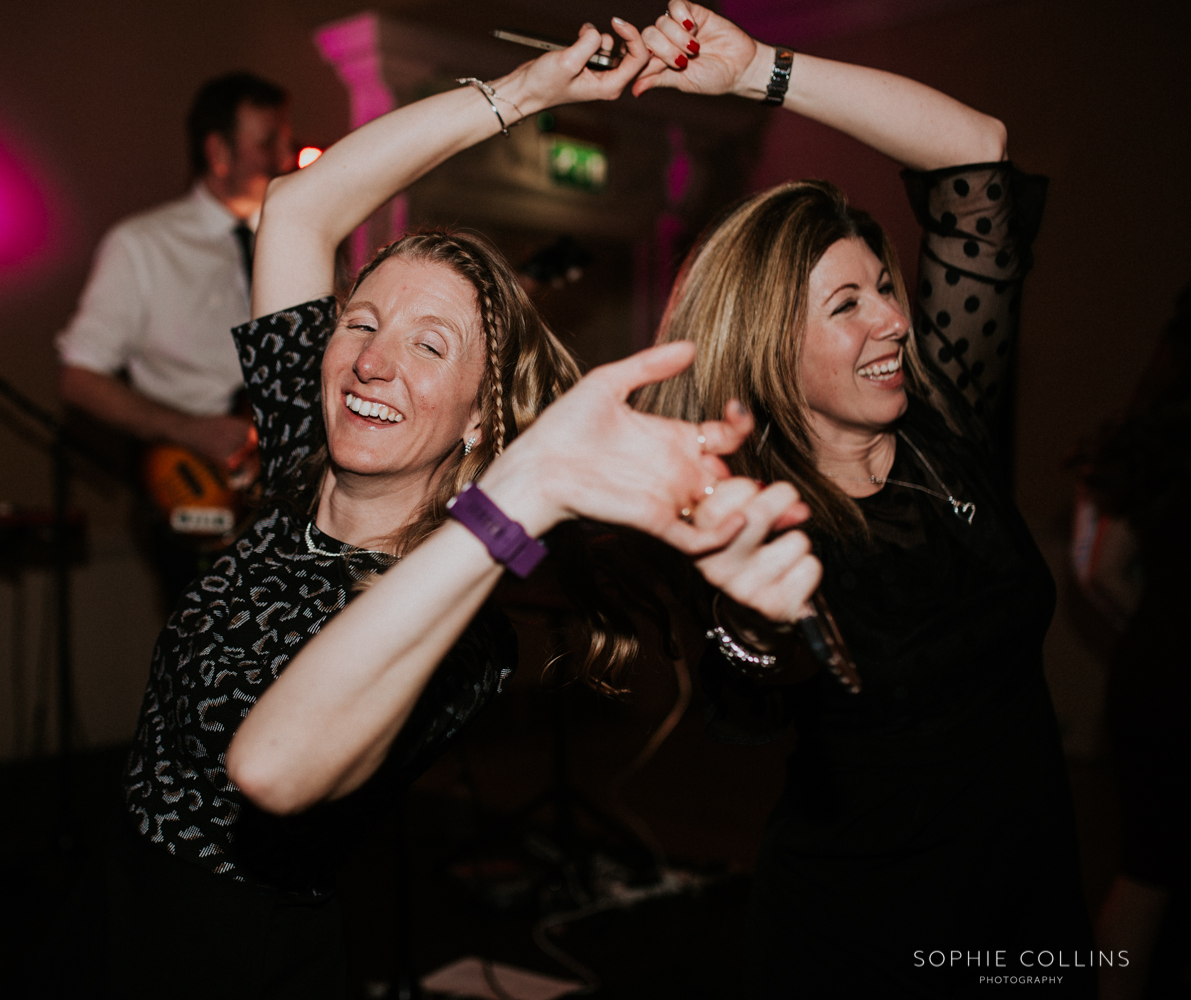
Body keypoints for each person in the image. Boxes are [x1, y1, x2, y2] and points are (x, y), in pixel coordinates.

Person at [101, 23, 813, 998]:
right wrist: (521, 93)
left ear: (482, 421)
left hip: (238, 960)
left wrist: (526, 491)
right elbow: (300, 209)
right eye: (363, 322)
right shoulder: (302, 465)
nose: (375, 360)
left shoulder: (460, 624)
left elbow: (276, 769)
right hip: (109, 916)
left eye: (430, 345)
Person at [629, 4, 1090, 995]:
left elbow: (979, 154)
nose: (893, 318)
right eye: (848, 304)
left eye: (886, 284)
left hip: (1031, 905)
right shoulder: (752, 517)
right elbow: (744, 695)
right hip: (861, 937)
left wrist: (760, 70)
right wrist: (749, 618)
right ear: (769, 346)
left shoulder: (943, 428)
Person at [56, 72, 293, 598]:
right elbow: (79, 377)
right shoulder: (143, 244)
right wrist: (187, 428)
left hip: (285, 494)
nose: (285, 155)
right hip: (199, 485)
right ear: (218, 150)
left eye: (285, 139)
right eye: (267, 141)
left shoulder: (296, 243)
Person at [1073, 280, 1191, 1000]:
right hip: (1172, 680)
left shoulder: (1161, 425)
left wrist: (1160, 636)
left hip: (1155, 675)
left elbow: (1103, 571)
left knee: (1145, 880)